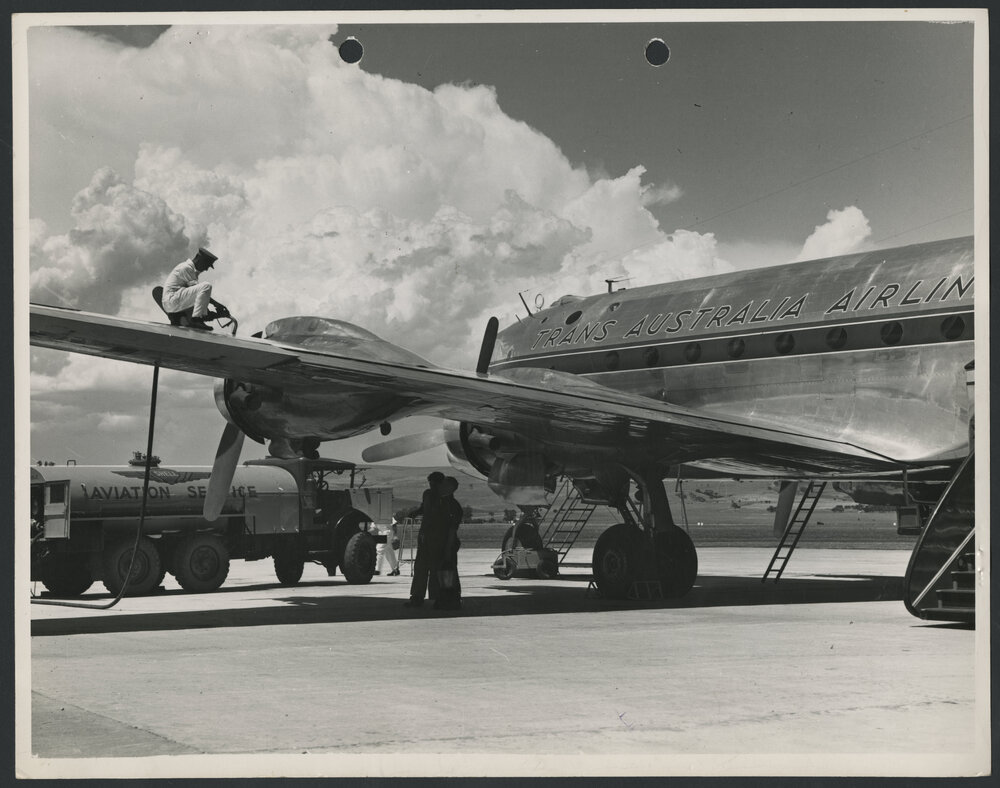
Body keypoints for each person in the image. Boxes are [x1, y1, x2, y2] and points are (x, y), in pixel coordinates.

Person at [404, 472, 445, 607]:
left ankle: (436, 597)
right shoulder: (428, 494)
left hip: (436, 535)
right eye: (430, 482)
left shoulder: (443, 497)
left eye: (434, 483)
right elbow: (424, 508)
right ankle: (417, 596)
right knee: (421, 566)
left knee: (435, 567)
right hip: (427, 535)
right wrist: (416, 512)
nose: (432, 485)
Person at [161, 247, 223, 331]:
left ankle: (185, 317)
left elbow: (199, 297)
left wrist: (213, 313)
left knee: (201, 296)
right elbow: (200, 292)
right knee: (206, 286)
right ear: (200, 260)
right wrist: (216, 304)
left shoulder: (191, 271)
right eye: (206, 265)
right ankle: (197, 320)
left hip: (174, 301)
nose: (206, 269)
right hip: (172, 300)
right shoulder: (186, 268)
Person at [433, 476, 464, 611]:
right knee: (444, 572)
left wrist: (447, 548)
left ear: (450, 488)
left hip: (447, 543)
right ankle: (445, 599)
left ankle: (452, 599)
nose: (440, 486)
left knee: (449, 573)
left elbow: (452, 529)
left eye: (444, 484)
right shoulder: (443, 502)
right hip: (441, 543)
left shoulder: (451, 505)